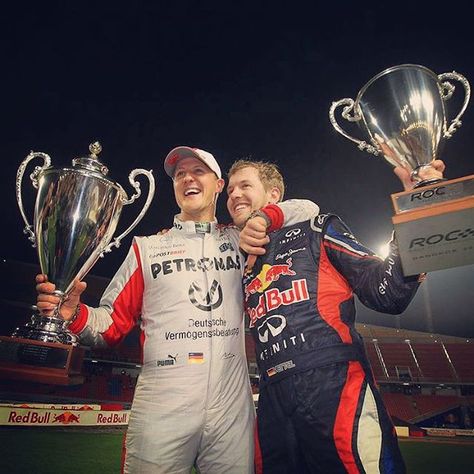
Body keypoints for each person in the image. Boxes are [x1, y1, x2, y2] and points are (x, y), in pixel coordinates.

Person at [35, 146, 317, 474]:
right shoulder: (148, 247)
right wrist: (73, 313)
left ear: (218, 185)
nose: (187, 178)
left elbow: (308, 209)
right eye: (180, 174)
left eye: (198, 172)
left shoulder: (243, 240)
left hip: (231, 408)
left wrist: (269, 216)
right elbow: (109, 325)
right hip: (162, 405)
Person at [226, 159, 445, 474]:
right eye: (230, 189)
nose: (234, 195)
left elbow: (387, 292)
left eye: (245, 186)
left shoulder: (318, 228)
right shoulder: (238, 261)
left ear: (273, 195)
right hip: (272, 399)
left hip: (335, 386)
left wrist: (417, 209)